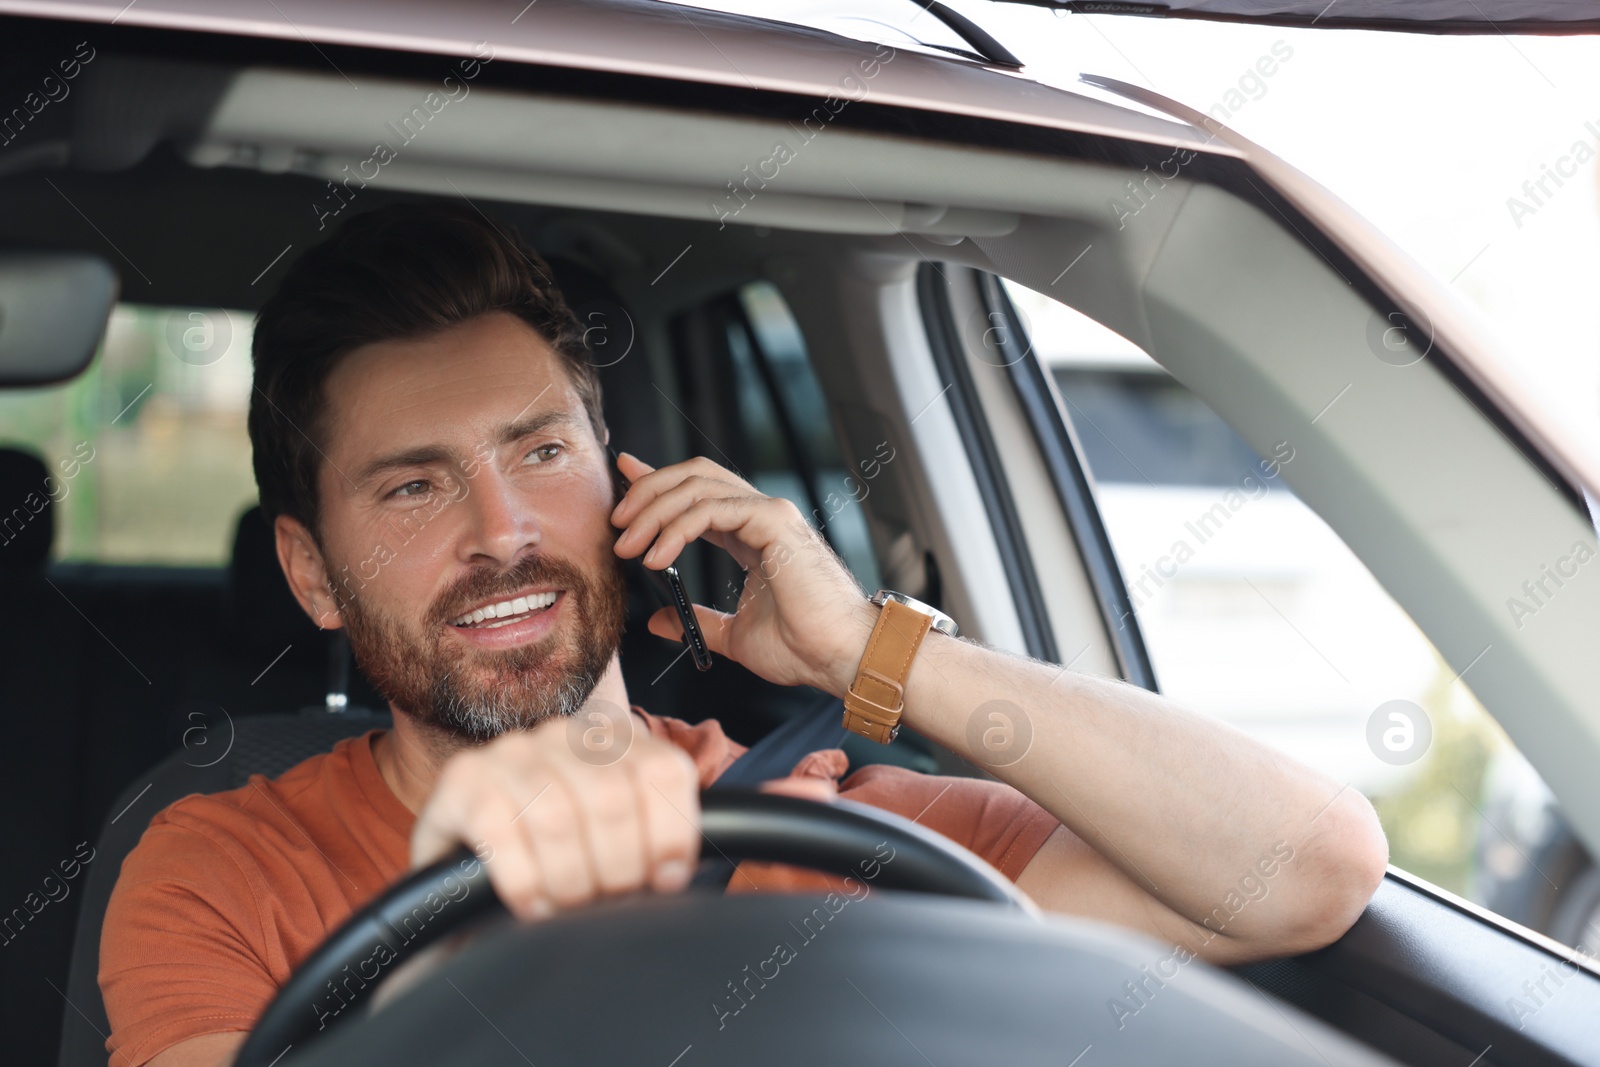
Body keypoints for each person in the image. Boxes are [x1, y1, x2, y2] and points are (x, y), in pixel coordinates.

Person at [100, 204, 1388, 1067]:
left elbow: (1306, 866)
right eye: (415, 485)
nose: (503, 531)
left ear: (624, 488)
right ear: (310, 572)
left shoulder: (837, 821)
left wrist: (872, 657)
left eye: (542, 452)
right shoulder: (225, 865)